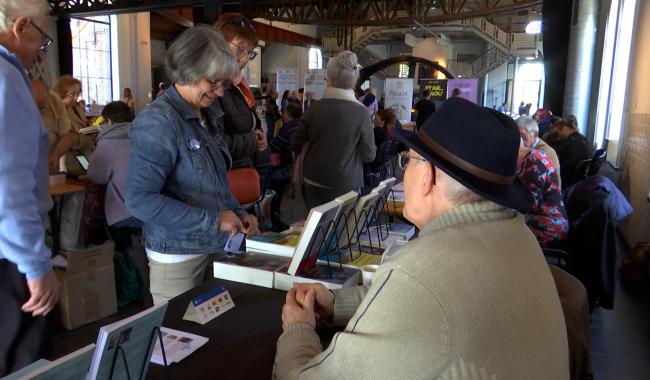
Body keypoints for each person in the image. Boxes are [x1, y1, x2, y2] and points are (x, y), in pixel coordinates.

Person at [275, 97, 569, 379]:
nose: (405, 173)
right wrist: (337, 303)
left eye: (408, 161)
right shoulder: (516, 234)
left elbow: (426, 297)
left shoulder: (421, 270)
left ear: (427, 175)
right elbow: (437, 305)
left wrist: (298, 330)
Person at [126, 25, 259, 305]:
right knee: (180, 341)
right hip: (178, 256)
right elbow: (140, 200)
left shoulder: (207, 115)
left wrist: (237, 213)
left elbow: (214, 183)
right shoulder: (159, 122)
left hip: (214, 247)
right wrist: (213, 221)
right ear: (187, 71)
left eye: (223, 83)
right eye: (213, 82)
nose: (220, 92)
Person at [0, 1, 61, 375]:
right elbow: (8, 183)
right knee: (27, 365)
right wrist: (36, 265)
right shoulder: (7, 80)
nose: (42, 52)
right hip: (9, 259)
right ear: (21, 26)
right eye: (44, 39)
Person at [291, 51, 376, 209]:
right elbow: (369, 155)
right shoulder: (362, 113)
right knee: (343, 230)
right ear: (354, 82)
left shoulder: (314, 108)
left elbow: (295, 142)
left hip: (313, 179)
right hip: (347, 183)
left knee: (315, 229)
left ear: (329, 79)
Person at [214, 13, 268, 174]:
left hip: (246, 169)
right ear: (219, 44)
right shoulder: (214, 88)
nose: (244, 59)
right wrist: (253, 140)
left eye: (249, 52)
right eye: (240, 49)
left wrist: (258, 135)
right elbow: (215, 143)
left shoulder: (237, 86)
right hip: (228, 178)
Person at [87, 101, 140, 253]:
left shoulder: (108, 142)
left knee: (130, 263)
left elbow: (97, 177)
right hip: (150, 211)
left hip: (123, 214)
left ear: (109, 121)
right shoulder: (144, 137)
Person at [517, 139, 569, 247]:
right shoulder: (535, 155)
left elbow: (527, 204)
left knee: (502, 235)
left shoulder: (533, 163)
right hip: (546, 220)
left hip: (548, 227)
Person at [31, 79, 86, 175]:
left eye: (78, 94)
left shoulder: (76, 109)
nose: (76, 98)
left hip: (79, 153)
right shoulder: (56, 105)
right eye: (73, 94)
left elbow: (69, 134)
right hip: (67, 154)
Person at [268, 103, 302, 228]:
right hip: (304, 169)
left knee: (269, 179)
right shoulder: (305, 125)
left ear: (287, 114)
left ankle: (276, 214)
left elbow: (275, 146)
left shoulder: (288, 128)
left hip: (290, 168)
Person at [517, 116, 561, 188]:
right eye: (517, 136)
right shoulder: (529, 147)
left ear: (534, 134)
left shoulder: (544, 152)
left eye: (523, 137)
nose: (520, 141)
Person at [548, 119, 590, 188]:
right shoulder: (582, 138)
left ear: (563, 129)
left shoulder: (571, 141)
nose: (559, 136)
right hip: (577, 176)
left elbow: (550, 151)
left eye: (558, 132)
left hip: (567, 176)